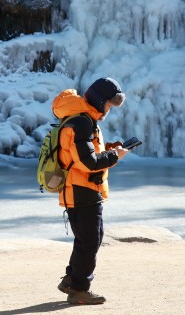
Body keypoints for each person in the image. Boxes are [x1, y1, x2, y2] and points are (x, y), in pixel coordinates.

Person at [51, 77, 128, 305]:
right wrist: (115, 156)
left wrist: (109, 149)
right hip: (81, 189)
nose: (108, 110)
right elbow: (88, 163)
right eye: (108, 105)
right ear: (99, 100)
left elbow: (86, 153)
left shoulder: (83, 120)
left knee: (88, 239)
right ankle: (79, 290)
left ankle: (71, 280)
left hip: (82, 189)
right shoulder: (81, 123)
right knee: (90, 241)